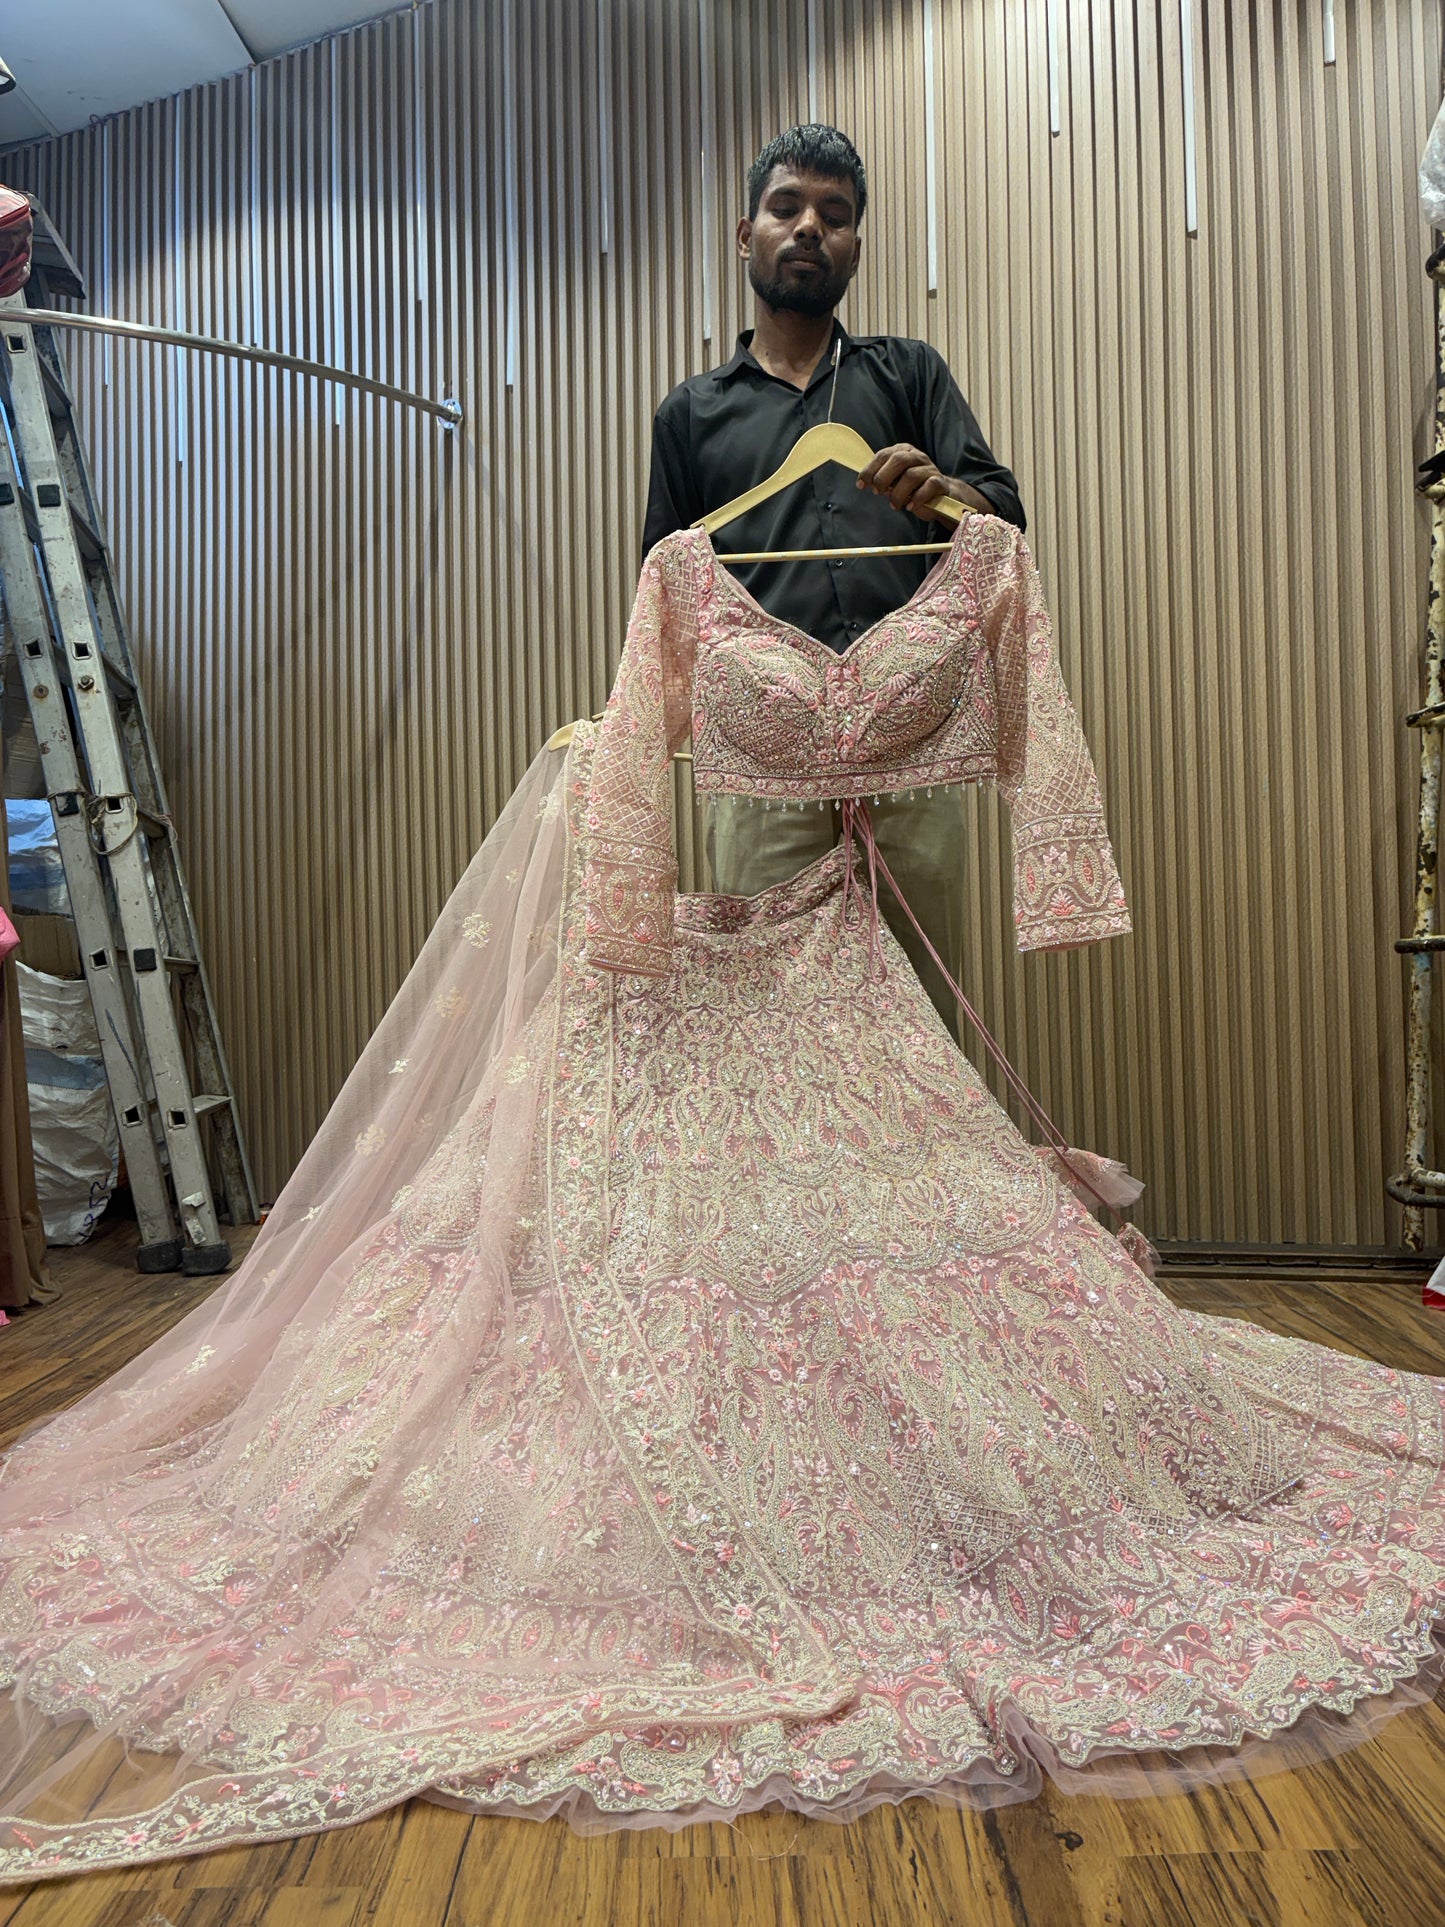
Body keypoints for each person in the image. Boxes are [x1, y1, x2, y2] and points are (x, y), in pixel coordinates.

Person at [642, 123, 1025, 1033]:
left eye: (835, 213)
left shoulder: (909, 372)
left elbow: (1003, 521)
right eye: (786, 207)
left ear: (854, 244)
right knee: (773, 1033)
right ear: (747, 235)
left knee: (922, 1028)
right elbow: (663, 597)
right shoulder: (690, 414)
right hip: (760, 767)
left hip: (910, 757)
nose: (810, 226)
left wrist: (946, 494)